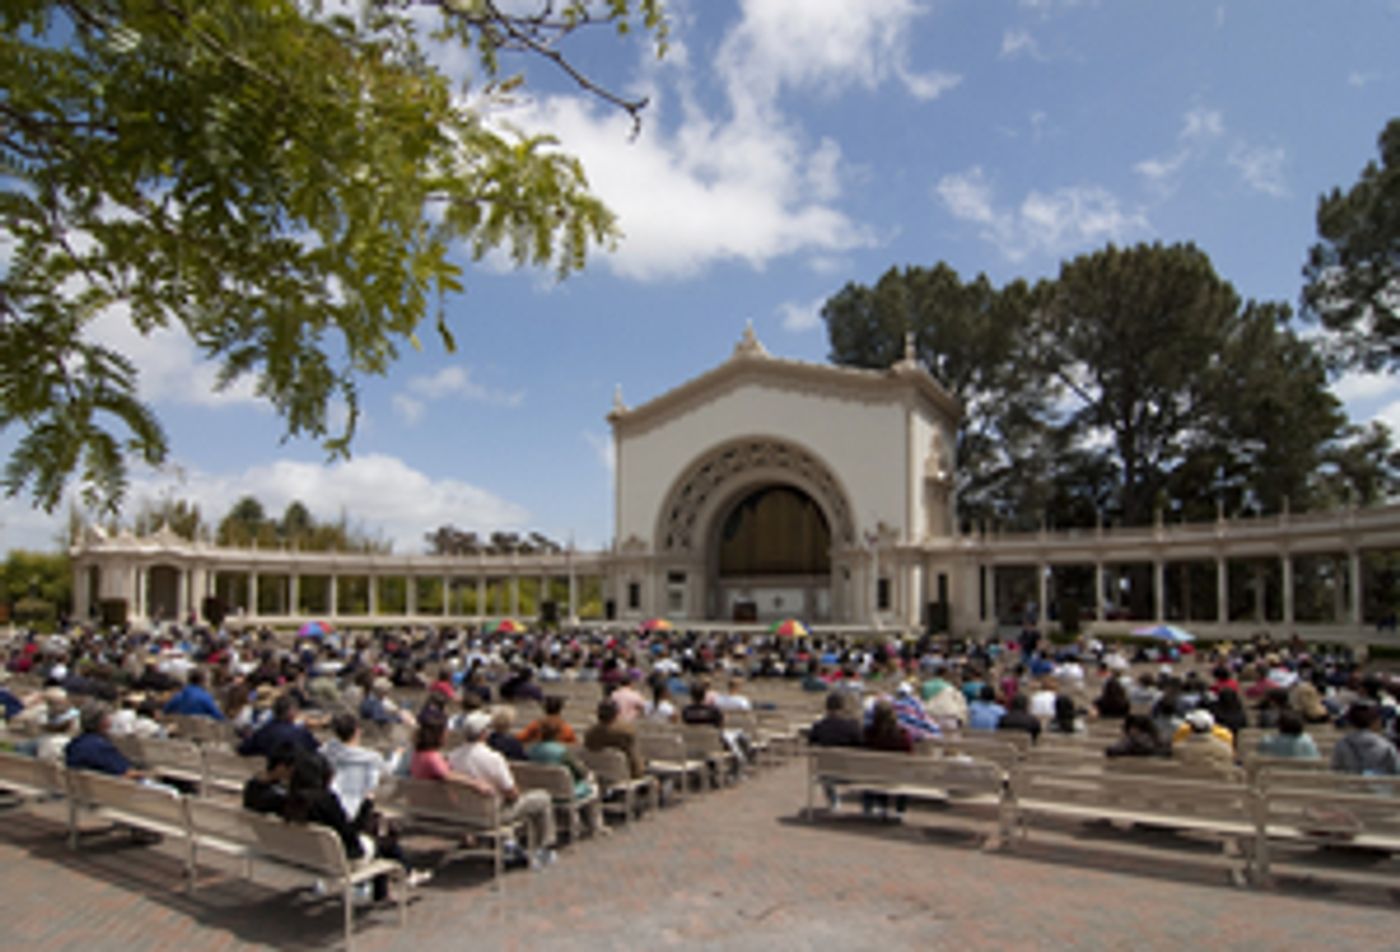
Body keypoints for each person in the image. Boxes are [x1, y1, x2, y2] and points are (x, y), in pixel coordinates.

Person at [449, 711, 558, 870]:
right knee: (543, 798)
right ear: (484, 734)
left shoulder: (453, 756)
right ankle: (543, 848)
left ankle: (515, 844)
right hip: (494, 813)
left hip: (465, 813)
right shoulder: (493, 758)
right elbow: (512, 793)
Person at [321, 713, 402, 821]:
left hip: (327, 806)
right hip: (356, 810)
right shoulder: (370, 757)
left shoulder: (325, 750)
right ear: (357, 732)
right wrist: (397, 755)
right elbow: (388, 770)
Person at [808, 692, 863, 810]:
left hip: (826, 772)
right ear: (843, 707)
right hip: (852, 772)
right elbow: (861, 745)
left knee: (826, 766)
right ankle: (868, 805)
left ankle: (833, 800)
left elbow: (811, 744)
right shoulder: (852, 725)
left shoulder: (819, 726)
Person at [862, 700, 911, 821]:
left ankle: (880, 805)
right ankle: (900, 809)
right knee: (901, 771)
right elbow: (909, 752)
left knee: (873, 769)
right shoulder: (902, 734)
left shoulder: (868, 733)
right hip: (897, 775)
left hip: (874, 774)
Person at [64, 703, 142, 778]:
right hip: (113, 789)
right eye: (108, 717)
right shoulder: (102, 748)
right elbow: (126, 773)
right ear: (102, 721)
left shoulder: (74, 744)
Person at [238, 694, 319, 759]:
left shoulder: (264, 731)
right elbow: (317, 751)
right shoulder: (301, 733)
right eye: (297, 709)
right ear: (292, 712)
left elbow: (243, 749)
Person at [583, 698, 646, 780]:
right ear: (616, 713)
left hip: (598, 778)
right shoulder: (626, 732)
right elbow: (634, 761)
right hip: (623, 779)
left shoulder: (589, 734)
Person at [1331, 703, 1400, 775]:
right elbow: (1396, 770)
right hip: (1380, 785)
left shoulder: (1341, 744)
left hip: (1350, 785)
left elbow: (1336, 768)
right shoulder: (1386, 745)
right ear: (1375, 722)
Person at [243, 743, 298, 814]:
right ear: (281, 767)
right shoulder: (272, 797)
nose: (292, 773)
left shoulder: (254, 783)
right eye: (291, 769)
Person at [1256, 710, 1320, 760]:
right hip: (1305, 775)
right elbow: (1316, 759)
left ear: (1280, 725)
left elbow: (1260, 756)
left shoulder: (1267, 741)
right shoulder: (1308, 740)